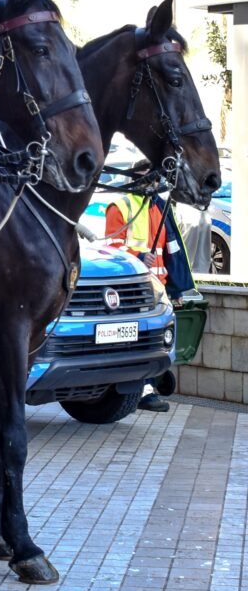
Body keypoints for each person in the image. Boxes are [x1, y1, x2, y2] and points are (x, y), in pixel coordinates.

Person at [104, 161, 195, 412]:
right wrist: (138, 254)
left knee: (156, 340)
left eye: (156, 179)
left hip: (158, 289)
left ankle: (154, 378)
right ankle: (145, 388)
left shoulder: (160, 207)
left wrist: (175, 290)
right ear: (136, 178)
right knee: (140, 341)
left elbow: (171, 251)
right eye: (149, 178)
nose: (154, 183)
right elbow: (111, 248)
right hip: (132, 290)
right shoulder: (121, 207)